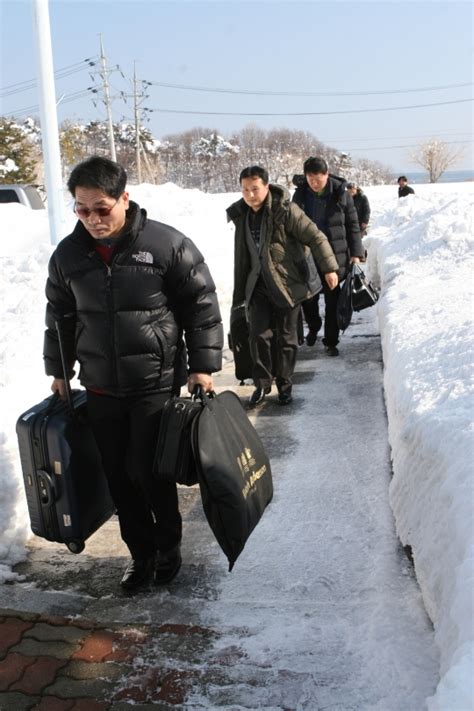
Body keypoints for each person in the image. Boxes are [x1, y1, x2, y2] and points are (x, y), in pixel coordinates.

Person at [43, 156, 223, 592]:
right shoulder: (68, 255)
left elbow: (202, 307)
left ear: (125, 197)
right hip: (101, 385)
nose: (92, 220)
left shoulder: (166, 245)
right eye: (82, 210)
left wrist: (201, 366)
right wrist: (60, 370)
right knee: (118, 476)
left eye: (101, 208)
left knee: (151, 471)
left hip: (155, 382)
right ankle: (140, 555)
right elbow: (60, 316)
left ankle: (168, 546)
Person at [227, 165, 339, 408]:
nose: (250, 195)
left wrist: (330, 268)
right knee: (258, 335)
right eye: (245, 189)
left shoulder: (285, 210)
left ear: (266, 186)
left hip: (287, 284)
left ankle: (285, 384)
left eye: (255, 189)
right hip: (257, 285)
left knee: (287, 339)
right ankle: (262, 383)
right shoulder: (241, 214)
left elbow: (315, 236)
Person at [292, 157, 364, 354]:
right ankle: (314, 326)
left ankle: (331, 340)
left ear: (326, 174)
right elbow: (292, 226)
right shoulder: (300, 195)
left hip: (335, 255)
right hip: (308, 256)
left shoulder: (341, 194)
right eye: (310, 178)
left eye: (318, 178)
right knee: (309, 298)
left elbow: (352, 225)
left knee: (333, 300)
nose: (314, 183)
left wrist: (356, 253)